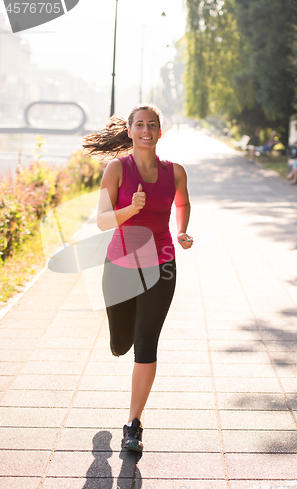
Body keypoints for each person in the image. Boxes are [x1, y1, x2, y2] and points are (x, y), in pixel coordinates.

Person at [82, 104, 193, 452]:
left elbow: (183, 204)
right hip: (120, 267)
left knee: (146, 346)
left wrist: (183, 232)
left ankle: (133, 423)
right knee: (120, 345)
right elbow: (101, 220)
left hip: (161, 266)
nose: (146, 130)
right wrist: (131, 208)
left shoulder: (175, 172)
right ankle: (122, 339)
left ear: (161, 132)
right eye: (140, 125)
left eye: (153, 125)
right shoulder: (117, 169)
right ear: (129, 131)